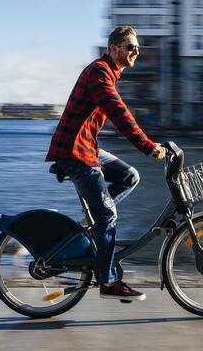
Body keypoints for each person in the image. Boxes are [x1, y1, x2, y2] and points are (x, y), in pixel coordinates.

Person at [46, 26, 166, 301]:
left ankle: (92, 224)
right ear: (114, 49)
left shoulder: (109, 73)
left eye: (137, 47)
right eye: (131, 47)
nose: (136, 51)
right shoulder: (100, 72)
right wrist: (148, 147)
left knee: (129, 176)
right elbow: (119, 113)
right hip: (75, 152)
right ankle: (109, 282)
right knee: (107, 216)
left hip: (86, 148)